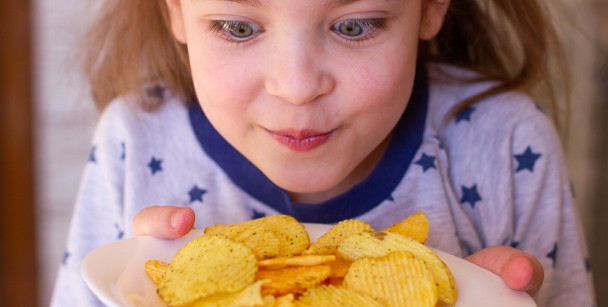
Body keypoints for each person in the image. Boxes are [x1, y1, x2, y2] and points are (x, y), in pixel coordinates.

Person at [52, 0, 596, 306]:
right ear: (174, 9)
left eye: (354, 26)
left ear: (432, 6)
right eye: (239, 27)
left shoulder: (504, 146)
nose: (296, 86)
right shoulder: (135, 143)